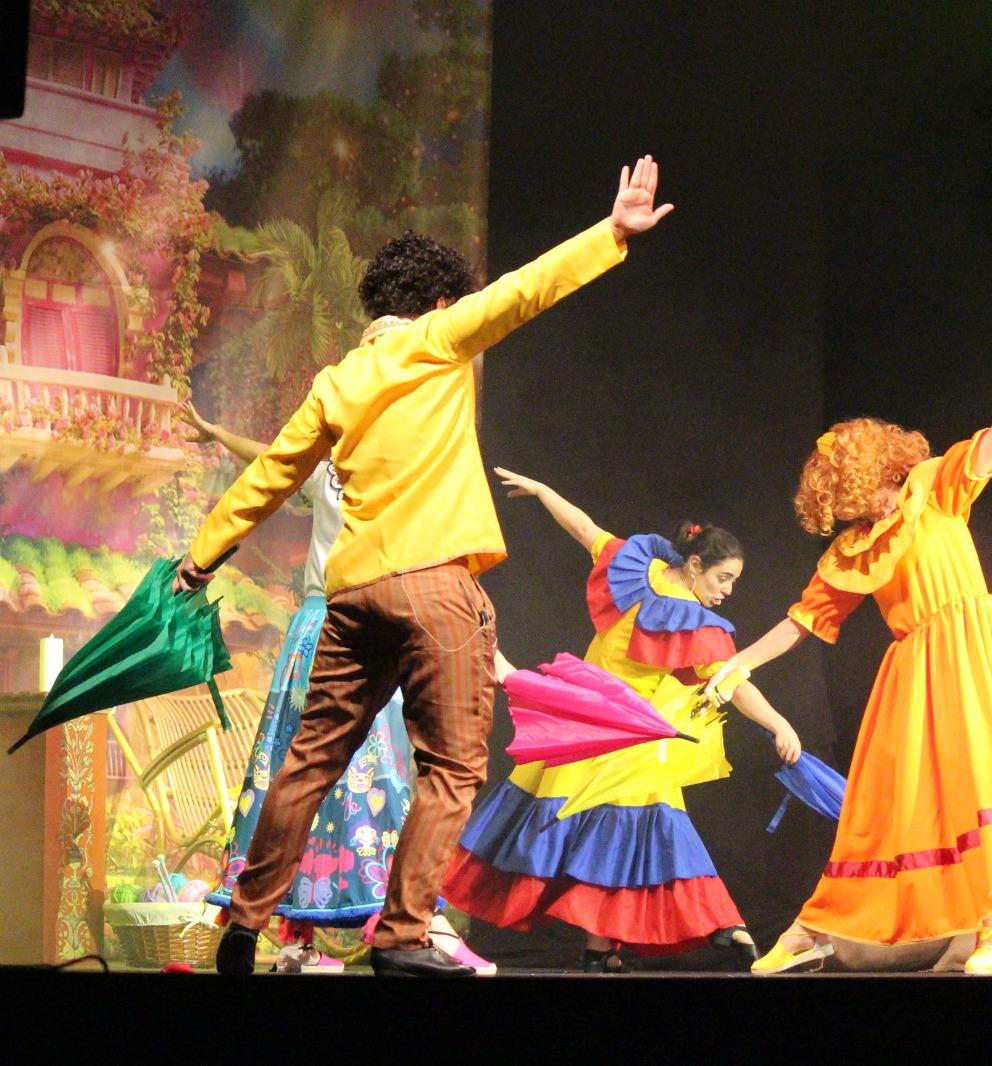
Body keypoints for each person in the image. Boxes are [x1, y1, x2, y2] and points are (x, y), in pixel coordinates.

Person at [175, 155, 674, 977]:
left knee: (310, 760)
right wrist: (611, 233)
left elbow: (271, 475)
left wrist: (201, 558)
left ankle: (246, 917)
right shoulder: (439, 339)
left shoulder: (336, 382)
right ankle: (403, 935)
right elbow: (524, 290)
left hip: (353, 598)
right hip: (436, 587)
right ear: (440, 304)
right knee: (452, 766)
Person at [707, 333, 992, 975]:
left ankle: (990, 932)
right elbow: (803, 620)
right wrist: (742, 660)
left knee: (979, 779)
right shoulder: (854, 549)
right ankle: (813, 928)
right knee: (883, 800)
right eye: (842, 497)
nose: (852, 505)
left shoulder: (934, 489)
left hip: (972, 649)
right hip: (914, 668)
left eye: (852, 487)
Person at [444, 470, 802, 971]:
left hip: (602, 729)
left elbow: (585, 529)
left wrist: (544, 492)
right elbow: (735, 684)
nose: (727, 591)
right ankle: (714, 925)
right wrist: (780, 723)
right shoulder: (677, 605)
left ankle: (607, 949)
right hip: (602, 730)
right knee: (605, 834)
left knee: (615, 834)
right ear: (694, 564)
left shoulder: (648, 579)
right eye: (723, 578)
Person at [183, 403, 492, 974]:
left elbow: (274, 463)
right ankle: (400, 926)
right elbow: (274, 460)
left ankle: (270, 924)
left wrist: (219, 433)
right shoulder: (395, 472)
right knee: (377, 774)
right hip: (372, 618)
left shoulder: (335, 467)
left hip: (328, 620)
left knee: (311, 767)